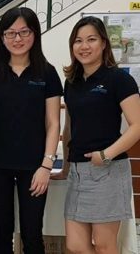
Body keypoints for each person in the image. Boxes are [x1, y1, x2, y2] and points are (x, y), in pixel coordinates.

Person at [0, 7, 62, 254]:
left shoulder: (47, 72)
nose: (17, 38)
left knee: (32, 234)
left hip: (34, 166)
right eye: (10, 33)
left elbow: (53, 123)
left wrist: (46, 166)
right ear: (2, 37)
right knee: (1, 232)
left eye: (24, 32)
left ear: (35, 34)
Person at [59, 16, 140, 254]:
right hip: (77, 171)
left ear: (104, 43)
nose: (84, 46)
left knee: (105, 246)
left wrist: (105, 155)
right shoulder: (72, 82)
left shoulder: (119, 79)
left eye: (91, 39)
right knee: (75, 245)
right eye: (78, 41)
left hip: (107, 170)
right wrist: (65, 167)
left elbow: (137, 125)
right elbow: (69, 126)